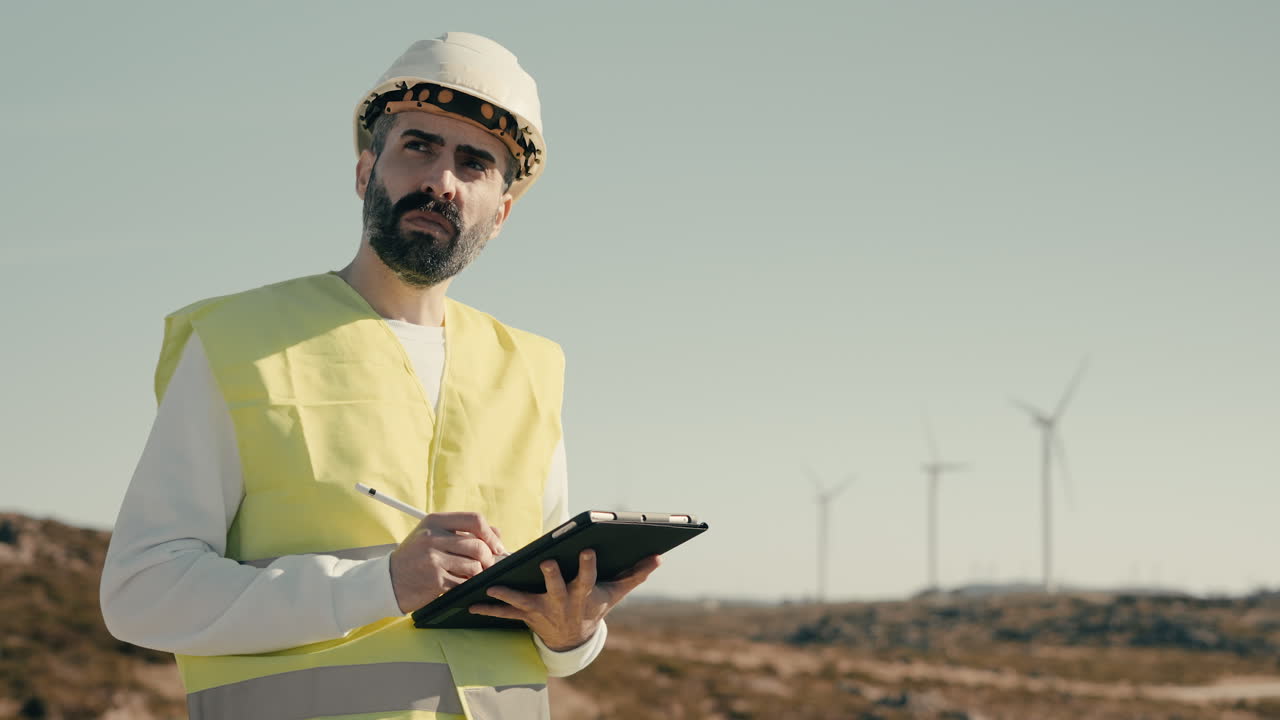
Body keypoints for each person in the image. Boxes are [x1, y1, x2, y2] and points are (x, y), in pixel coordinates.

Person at [100, 32, 659, 720]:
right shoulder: (238, 344)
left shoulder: (530, 371)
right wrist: (379, 585)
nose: (441, 181)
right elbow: (141, 591)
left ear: (502, 213)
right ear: (366, 171)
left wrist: (575, 636)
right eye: (418, 147)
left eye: (475, 164)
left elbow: (547, 626)